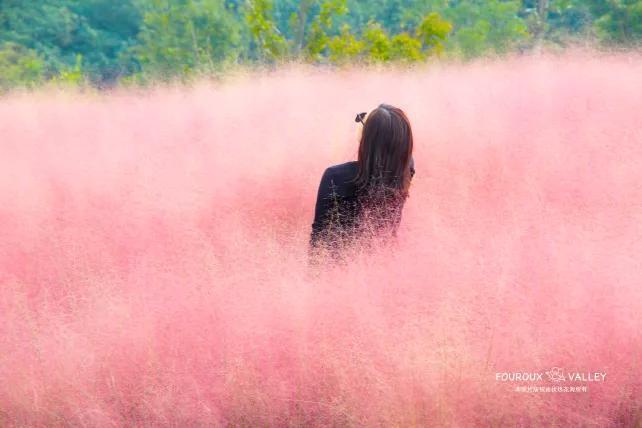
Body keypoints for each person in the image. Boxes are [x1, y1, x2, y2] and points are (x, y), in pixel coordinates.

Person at [309, 103, 415, 258]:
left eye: (363, 120)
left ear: (369, 137)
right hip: (385, 261)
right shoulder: (406, 169)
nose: (359, 122)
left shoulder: (335, 176)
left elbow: (319, 238)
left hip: (340, 267)